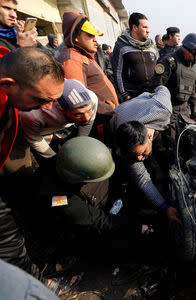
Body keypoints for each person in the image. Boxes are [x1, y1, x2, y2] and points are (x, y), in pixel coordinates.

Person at [0, 47, 81, 295]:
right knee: (7, 238)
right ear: (8, 85)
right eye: (40, 100)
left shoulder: (13, 65)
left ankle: (39, 264)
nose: (47, 107)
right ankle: (35, 284)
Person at [110, 86, 181, 224]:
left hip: (147, 106)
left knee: (168, 156)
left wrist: (155, 89)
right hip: (120, 113)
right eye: (134, 156)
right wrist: (164, 207)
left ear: (149, 137)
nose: (139, 159)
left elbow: (163, 88)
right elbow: (142, 179)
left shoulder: (162, 109)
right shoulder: (122, 144)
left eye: (141, 153)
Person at [56, 11, 119, 142]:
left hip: (106, 119)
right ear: (75, 37)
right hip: (98, 125)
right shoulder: (72, 60)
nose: (95, 39)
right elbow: (79, 103)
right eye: (90, 35)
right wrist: (108, 108)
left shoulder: (82, 54)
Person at [21, 79, 98, 159]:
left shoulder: (92, 99)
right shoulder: (33, 114)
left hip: (65, 127)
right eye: (78, 114)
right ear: (62, 109)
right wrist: (54, 158)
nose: (87, 117)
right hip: (40, 132)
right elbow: (34, 138)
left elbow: (88, 122)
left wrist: (80, 143)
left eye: (89, 111)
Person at [149, 33, 196, 140]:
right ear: (191, 49)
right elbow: (156, 87)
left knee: (185, 140)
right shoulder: (169, 61)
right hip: (169, 110)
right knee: (171, 142)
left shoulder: (193, 65)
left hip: (185, 110)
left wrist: (194, 112)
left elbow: (192, 90)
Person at [111, 12, 158, 102]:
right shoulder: (121, 46)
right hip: (132, 97)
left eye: (148, 27)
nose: (148, 30)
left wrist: (157, 88)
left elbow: (157, 70)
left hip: (151, 96)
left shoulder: (152, 47)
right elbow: (117, 73)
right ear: (135, 28)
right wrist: (124, 94)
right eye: (144, 27)